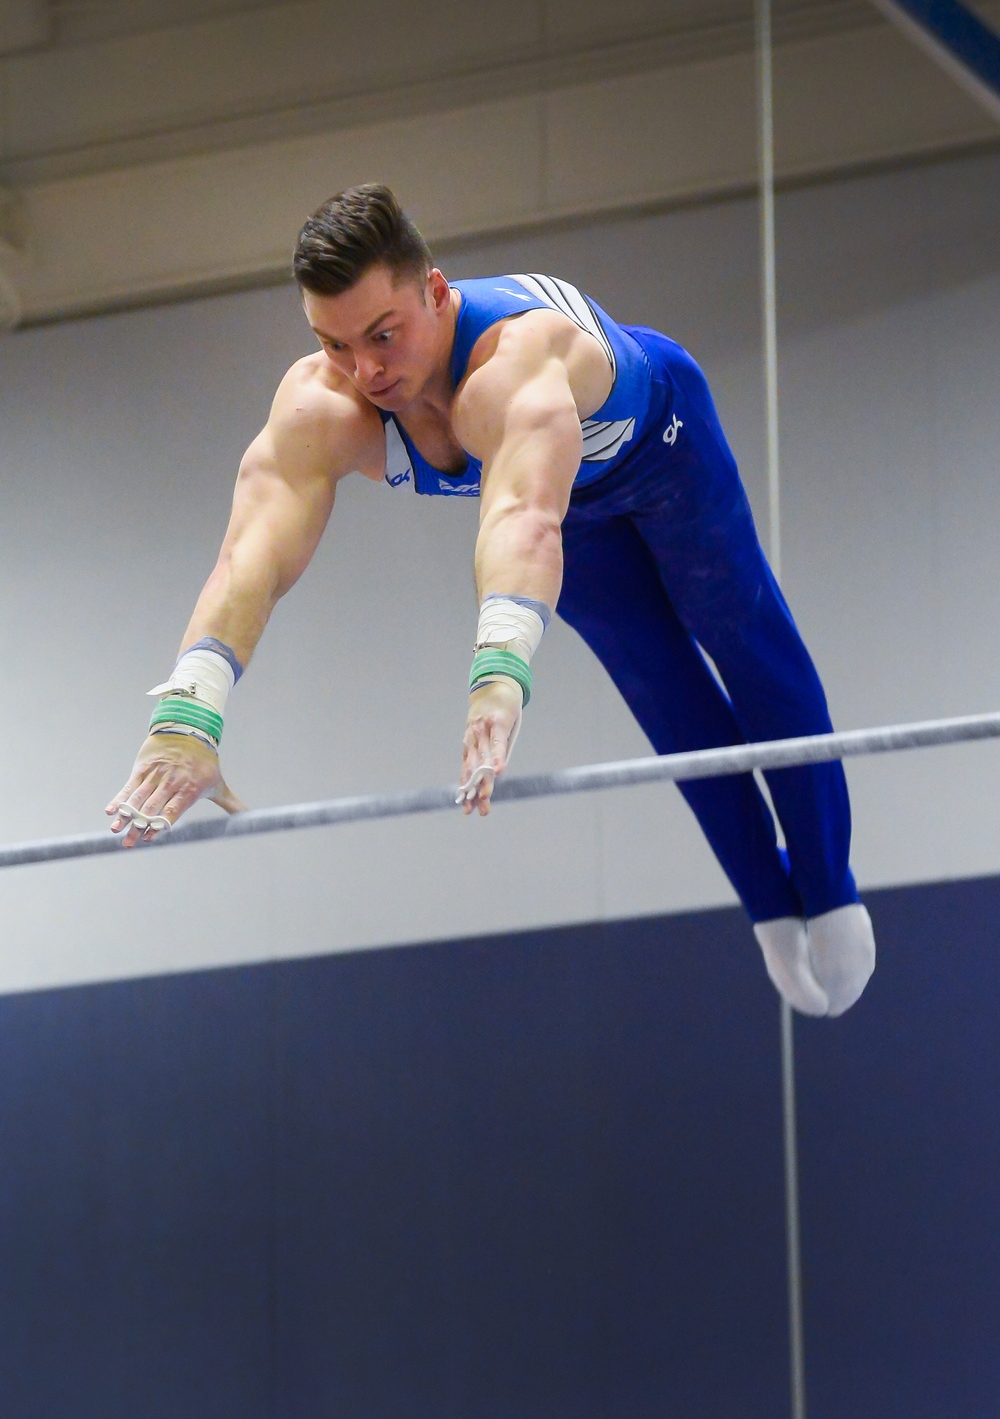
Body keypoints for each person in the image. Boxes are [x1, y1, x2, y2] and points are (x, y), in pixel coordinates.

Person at [106, 183, 875, 1017]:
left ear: (436, 293)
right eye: (334, 344)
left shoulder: (516, 361)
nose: (366, 371)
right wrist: (189, 715)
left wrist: (499, 671)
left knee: (740, 634)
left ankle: (830, 887)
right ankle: (766, 903)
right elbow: (250, 558)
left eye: (383, 334)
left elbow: (520, 518)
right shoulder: (322, 404)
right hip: (564, 507)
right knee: (661, 689)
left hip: (658, 453)